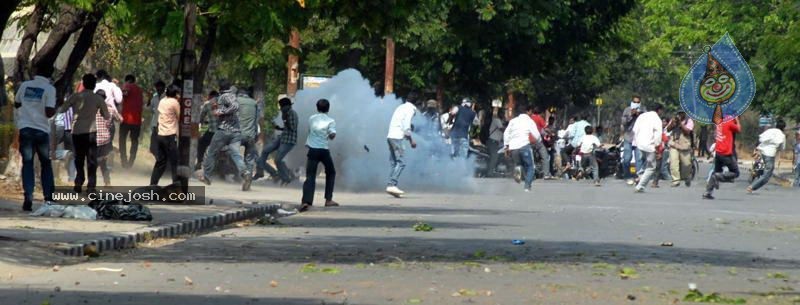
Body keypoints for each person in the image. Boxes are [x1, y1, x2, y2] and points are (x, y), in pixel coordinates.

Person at [14, 69, 57, 211]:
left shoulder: (25, 85)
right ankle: (49, 198)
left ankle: (28, 197)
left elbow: (17, 103)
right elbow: (49, 112)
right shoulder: (50, 89)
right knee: (45, 163)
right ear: (49, 75)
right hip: (41, 131)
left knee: (27, 163)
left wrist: (28, 109)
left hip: (25, 129)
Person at [196, 81, 251, 189]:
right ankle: (245, 173)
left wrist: (221, 111)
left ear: (220, 88)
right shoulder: (233, 96)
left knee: (211, 152)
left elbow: (235, 106)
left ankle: (206, 176)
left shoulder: (223, 96)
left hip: (224, 131)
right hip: (236, 132)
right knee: (236, 154)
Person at [60, 74, 109, 193]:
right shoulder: (98, 99)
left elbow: (63, 109)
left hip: (77, 131)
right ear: (94, 85)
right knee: (92, 160)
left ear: (84, 84)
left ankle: (78, 181)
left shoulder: (76, 96)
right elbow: (106, 115)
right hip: (91, 132)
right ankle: (91, 186)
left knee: (79, 158)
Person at [300, 99, 338, 212]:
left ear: (317, 108)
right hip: (324, 150)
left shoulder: (311, 118)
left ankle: (306, 202)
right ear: (328, 108)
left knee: (310, 175)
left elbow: (310, 130)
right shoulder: (331, 121)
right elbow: (332, 134)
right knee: (331, 172)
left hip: (312, 149)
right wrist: (331, 135)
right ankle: (328, 199)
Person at [255, 95, 297, 185]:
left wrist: (285, 120)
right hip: (282, 138)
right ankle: (272, 173)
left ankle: (286, 178)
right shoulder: (286, 114)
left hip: (288, 141)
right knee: (265, 151)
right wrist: (279, 128)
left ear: (286, 106)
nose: (281, 109)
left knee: (278, 160)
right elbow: (287, 128)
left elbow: (293, 128)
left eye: (282, 107)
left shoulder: (292, 114)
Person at [503, 105, 541, 192]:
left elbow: (506, 133)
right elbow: (537, 135)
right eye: (531, 112)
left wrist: (506, 146)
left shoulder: (513, 121)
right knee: (531, 167)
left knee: (519, 163)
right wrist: (537, 142)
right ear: (528, 112)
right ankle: (527, 186)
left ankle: (518, 168)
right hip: (524, 146)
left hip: (513, 148)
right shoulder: (529, 121)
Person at [386, 96, 418, 197]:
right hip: (397, 137)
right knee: (401, 162)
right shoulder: (411, 109)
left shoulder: (400, 107)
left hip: (390, 136)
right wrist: (411, 140)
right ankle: (392, 184)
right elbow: (406, 125)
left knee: (394, 163)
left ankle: (393, 188)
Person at [150, 84, 181, 186]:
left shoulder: (162, 101)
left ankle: (153, 184)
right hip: (170, 135)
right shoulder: (174, 103)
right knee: (174, 161)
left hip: (160, 134)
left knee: (160, 162)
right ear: (175, 94)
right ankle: (176, 184)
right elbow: (179, 117)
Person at [703, 117, 741, 199]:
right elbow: (738, 129)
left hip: (719, 151)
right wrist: (737, 120)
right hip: (726, 152)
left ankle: (707, 192)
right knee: (735, 172)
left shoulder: (720, 123)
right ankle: (718, 177)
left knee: (716, 171)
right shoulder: (729, 123)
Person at [747, 120, 786, 193]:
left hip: (761, 151)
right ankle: (752, 187)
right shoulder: (782, 135)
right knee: (767, 174)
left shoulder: (769, 130)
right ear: (783, 128)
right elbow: (782, 148)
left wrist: (756, 148)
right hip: (769, 154)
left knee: (764, 167)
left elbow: (760, 138)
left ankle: (756, 172)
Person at [633, 104, 664, 193]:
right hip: (650, 146)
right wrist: (658, 149)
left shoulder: (642, 116)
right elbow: (658, 136)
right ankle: (640, 186)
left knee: (643, 163)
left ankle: (639, 177)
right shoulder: (657, 119)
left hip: (639, 144)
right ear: (659, 110)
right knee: (651, 167)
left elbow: (635, 130)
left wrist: (637, 140)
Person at [94, 90, 123, 186]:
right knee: (103, 161)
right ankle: (107, 182)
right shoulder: (110, 109)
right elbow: (120, 119)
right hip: (106, 140)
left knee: (95, 161)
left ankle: (91, 183)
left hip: (94, 138)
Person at [236, 87, 261, 191]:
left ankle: (244, 173)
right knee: (250, 159)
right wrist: (256, 135)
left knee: (234, 154)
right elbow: (256, 121)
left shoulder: (235, 101)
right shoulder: (254, 103)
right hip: (250, 135)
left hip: (236, 135)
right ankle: (248, 180)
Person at [119, 74, 144, 168]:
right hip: (137, 120)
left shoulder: (127, 85)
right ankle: (131, 161)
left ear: (128, 80)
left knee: (122, 139)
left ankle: (123, 160)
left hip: (126, 119)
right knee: (134, 141)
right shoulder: (139, 89)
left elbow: (124, 93)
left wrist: (121, 90)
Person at [667, 111, 694, 187]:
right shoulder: (674, 120)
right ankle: (675, 180)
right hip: (674, 144)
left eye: (681, 114)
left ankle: (686, 177)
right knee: (673, 163)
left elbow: (687, 131)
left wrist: (680, 124)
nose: (679, 115)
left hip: (684, 145)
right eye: (678, 113)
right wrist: (673, 123)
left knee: (686, 164)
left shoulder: (689, 120)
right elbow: (668, 129)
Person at [621, 95, 644, 185]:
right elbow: (623, 122)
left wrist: (639, 115)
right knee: (627, 158)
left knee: (639, 159)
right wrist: (631, 115)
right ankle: (627, 176)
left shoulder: (643, 110)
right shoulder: (627, 110)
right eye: (634, 102)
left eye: (638, 102)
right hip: (628, 137)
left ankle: (638, 177)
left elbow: (646, 122)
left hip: (639, 138)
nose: (636, 104)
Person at [195, 91, 219, 170]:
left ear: (210, 96)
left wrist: (201, 126)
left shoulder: (207, 104)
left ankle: (199, 162)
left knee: (201, 143)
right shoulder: (225, 103)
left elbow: (201, 117)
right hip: (223, 132)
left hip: (212, 131)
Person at [530, 106, 552, 179]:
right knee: (544, 156)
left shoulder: (529, 118)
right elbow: (545, 128)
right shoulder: (539, 118)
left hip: (528, 140)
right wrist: (551, 133)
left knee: (530, 157)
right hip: (536, 140)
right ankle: (546, 174)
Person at [148, 80, 166, 157]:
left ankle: (161, 161)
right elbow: (150, 108)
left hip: (164, 125)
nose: (158, 89)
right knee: (152, 147)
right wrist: (149, 98)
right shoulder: (154, 98)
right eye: (157, 88)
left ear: (163, 88)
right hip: (155, 124)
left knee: (161, 145)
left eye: (160, 88)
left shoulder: (166, 97)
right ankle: (159, 159)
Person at [486, 106, 505, 177]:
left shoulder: (500, 121)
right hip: (492, 142)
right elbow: (502, 129)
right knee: (495, 156)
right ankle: (490, 173)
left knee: (501, 155)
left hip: (496, 143)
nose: (504, 115)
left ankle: (496, 170)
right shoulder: (497, 120)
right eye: (502, 113)